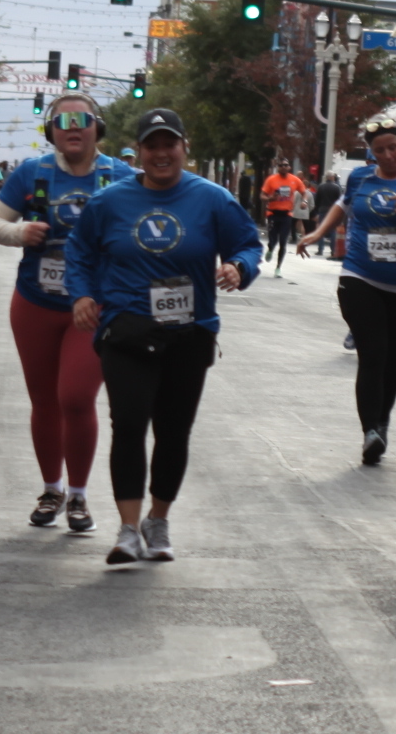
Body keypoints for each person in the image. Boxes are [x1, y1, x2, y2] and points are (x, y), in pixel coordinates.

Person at [65, 109, 261, 565]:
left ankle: (158, 519)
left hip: (189, 332)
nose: (160, 154)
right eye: (151, 146)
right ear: (139, 152)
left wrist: (239, 267)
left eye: (168, 144)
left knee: (173, 431)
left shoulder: (212, 199)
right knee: (129, 424)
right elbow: (79, 251)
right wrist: (82, 295)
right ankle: (128, 530)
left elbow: (248, 243)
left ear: (183, 147)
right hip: (126, 330)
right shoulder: (110, 202)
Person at [0, 95, 133, 532]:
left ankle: (79, 495)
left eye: (81, 119)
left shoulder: (121, 177)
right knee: (44, 400)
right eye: (61, 120)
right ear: (50, 130)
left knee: (75, 397)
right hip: (35, 303)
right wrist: (19, 232)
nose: (72, 127)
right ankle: (52, 490)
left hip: (92, 309)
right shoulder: (32, 174)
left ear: (96, 127)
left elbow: (148, 226)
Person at [296, 122, 396, 464]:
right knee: (373, 354)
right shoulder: (361, 178)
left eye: (393, 147)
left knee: (393, 360)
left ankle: (382, 422)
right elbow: (343, 206)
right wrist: (318, 232)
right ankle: (369, 432)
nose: (388, 155)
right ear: (371, 153)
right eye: (379, 150)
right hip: (360, 276)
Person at [257, 159, 307, 272]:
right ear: (278, 167)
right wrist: (270, 198)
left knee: (283, 242)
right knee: (273, 240)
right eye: (281, 165)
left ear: (289, 167)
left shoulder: (295, 180)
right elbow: (262, 195)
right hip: (273, 213)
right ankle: (270, 249)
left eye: (286, 165)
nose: (283, 167)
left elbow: (304, 193)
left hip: (286, 214)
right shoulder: (271, 179)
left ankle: (278, 267)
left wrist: (304, 202)